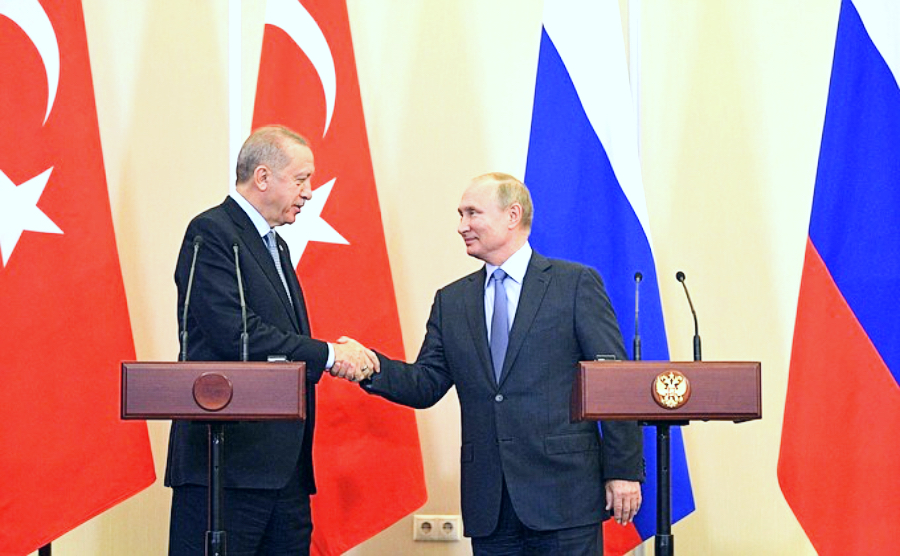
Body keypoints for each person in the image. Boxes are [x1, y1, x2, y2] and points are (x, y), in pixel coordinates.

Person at [338, 172, 643, 555]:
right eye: (460, 215)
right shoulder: (452, 302)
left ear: (512, 215)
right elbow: (425, 383)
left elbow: (613, 383)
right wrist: (370, 367)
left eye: (472, 213)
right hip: (491, 506)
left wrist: (623, 470)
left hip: (564, 496)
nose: (461, 226)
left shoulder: (574, 284)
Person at [166, 125, 376, 555]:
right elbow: (236, 333)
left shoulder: (275, 246)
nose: (310, 193)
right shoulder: (212, 232)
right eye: (301, 179)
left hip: (284, 472)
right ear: (262, 177)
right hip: (227, 470)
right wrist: (330, 355)